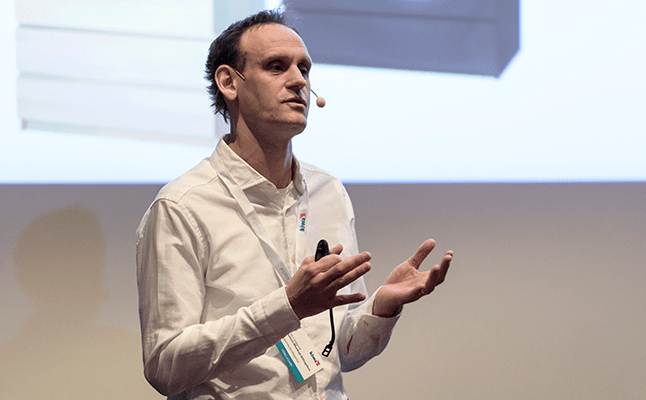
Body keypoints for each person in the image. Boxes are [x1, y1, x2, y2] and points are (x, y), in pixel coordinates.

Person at [136, 9, 453, 400]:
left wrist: (381, 308)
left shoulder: (327, 192)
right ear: (229, 82)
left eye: (304, 68)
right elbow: (165, 367)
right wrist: (287, 306)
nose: (299, 80)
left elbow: (341, 351)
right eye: (276, 66)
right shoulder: (183, 206)